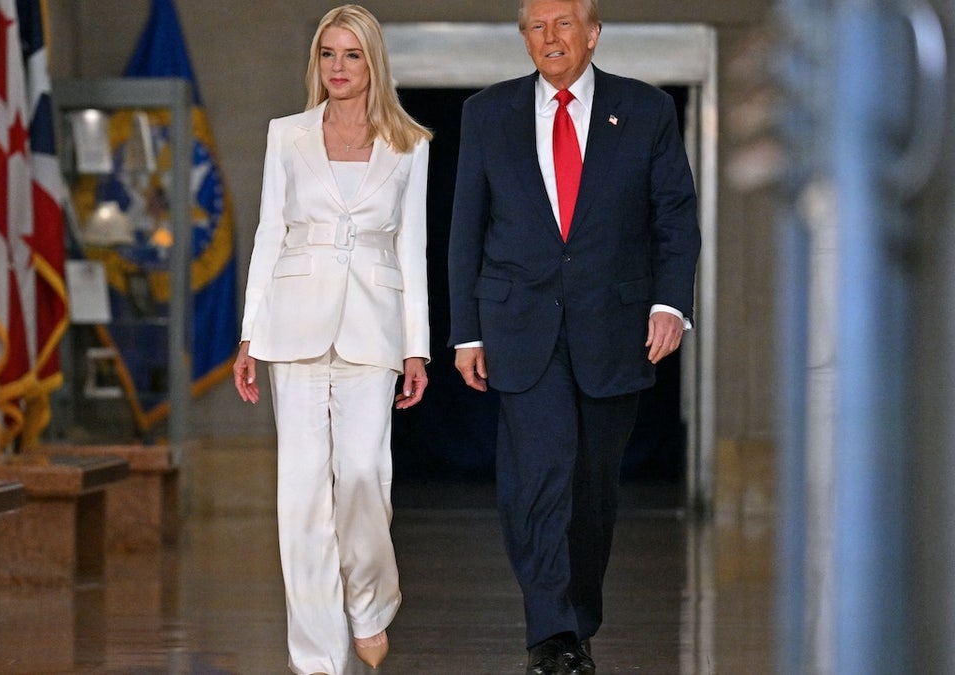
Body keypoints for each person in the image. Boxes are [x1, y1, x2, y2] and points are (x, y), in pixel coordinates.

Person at [447, 0, 701, 673]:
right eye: (537, 25)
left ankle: (574, 623)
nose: (550, 37)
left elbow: (675, 215)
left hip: (613, 325)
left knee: (591, 488)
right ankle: (552, 633)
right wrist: (465, 332)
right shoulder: (487, 113)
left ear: (592, 33)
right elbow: (464, 229)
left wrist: (671, 302)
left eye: (564, 24)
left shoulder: (645, 111)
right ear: (524, 38)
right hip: (518, 325)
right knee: (540, 475)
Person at [232, 5, 432, 673]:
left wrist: (416, 346)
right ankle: (318, 658)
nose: (338, 68)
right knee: (302, 499)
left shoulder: (411, 144)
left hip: (373, 329)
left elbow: (414, 249)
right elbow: (267, 235)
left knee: (366, 479)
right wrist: (249, 335)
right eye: (328, 54)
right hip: (294, 325)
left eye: (351, 54)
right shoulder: (285, 135)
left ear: (373, 62)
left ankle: (370, 602)